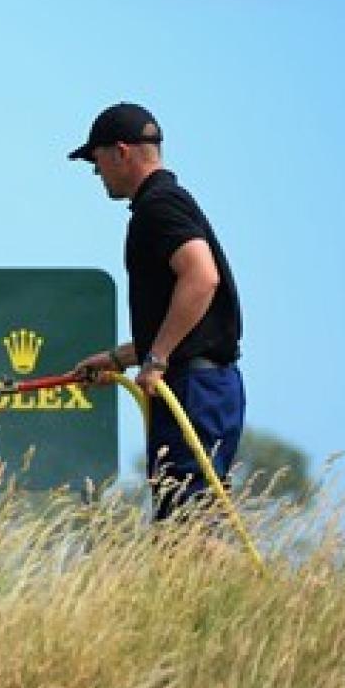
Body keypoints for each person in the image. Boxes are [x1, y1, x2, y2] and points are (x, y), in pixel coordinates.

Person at [65, 103, 245, 523]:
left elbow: (201, 278)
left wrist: (157, 359)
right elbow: (184, 316)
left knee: (187, 529)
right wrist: (118, 359)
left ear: (121, 152)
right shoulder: (167, 203)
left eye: (97, 160)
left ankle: (285, 592)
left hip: (193, 388)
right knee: (182, 525)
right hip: (203, 384)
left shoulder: (159, 207)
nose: (96, 172)